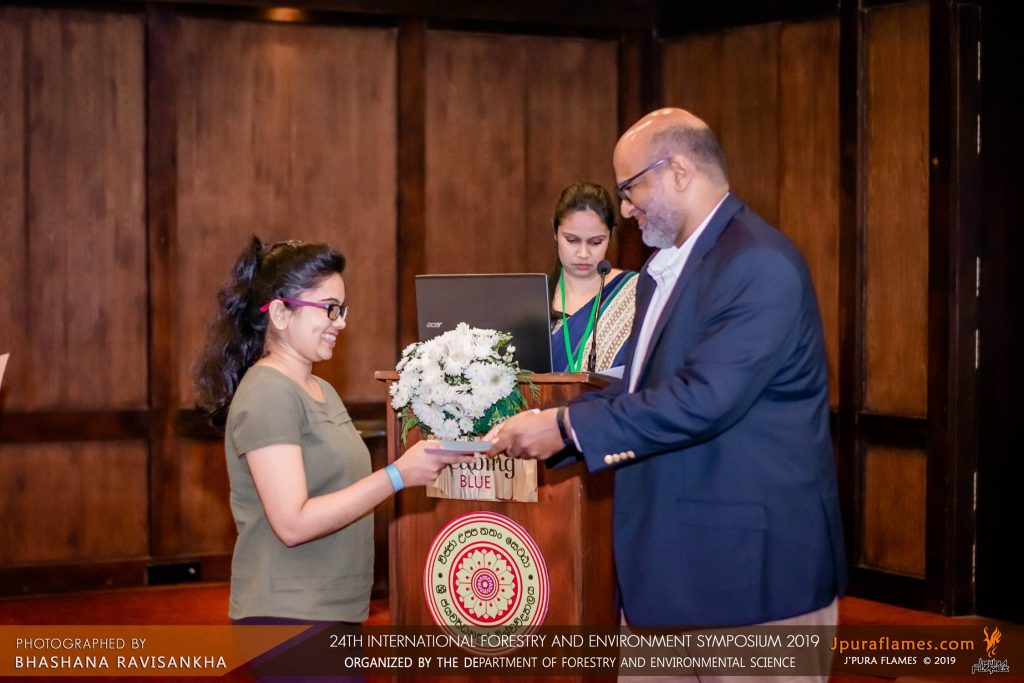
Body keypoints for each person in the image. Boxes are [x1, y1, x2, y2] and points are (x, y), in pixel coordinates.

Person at [486, 108, 846, 657]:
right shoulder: (666, 270)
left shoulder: (757, 263)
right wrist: (550, 422)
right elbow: (641, 388)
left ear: (678, 171)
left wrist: (564, 427)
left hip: (748, 582)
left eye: (630, 188)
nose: (627, 209)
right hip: (669, 578)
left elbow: (704, 400)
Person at [194, 237, 473, 625]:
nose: (340, 322)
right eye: (329, 309)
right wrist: (397, 476)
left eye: (341, 309)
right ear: (280, 313)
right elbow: (292, 524)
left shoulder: (321, 389)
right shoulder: (267, 393)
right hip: (288, 614)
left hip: (331, 609)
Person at [549, 182, 638, 372]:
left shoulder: (635, 292)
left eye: (596, 242)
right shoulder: (536, 298)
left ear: (610, 236)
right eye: (572, 240)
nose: (583, 253)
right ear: (555, 233)